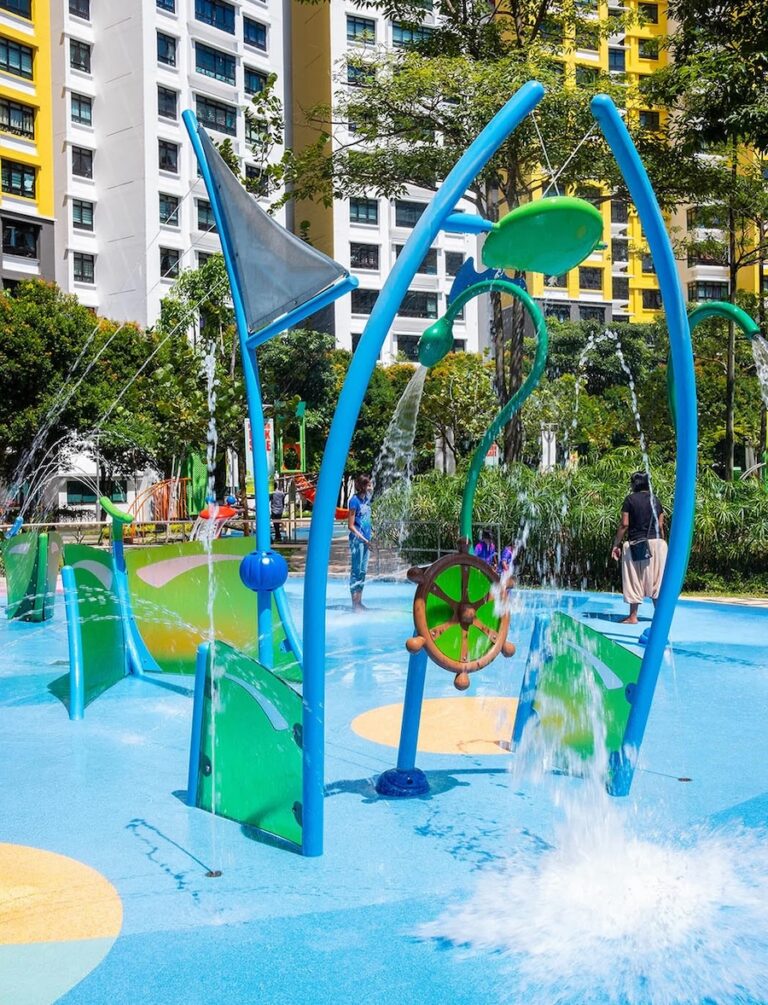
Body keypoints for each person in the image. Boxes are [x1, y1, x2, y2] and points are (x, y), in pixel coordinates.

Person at [611, 471, 667, 624]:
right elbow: (660, 525)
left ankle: (633, 616)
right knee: (658, 580)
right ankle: (660, 617)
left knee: (633, 578)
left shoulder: (630, 500)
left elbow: (624, 524)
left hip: (637, 544)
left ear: (634, 484)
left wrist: (616, 544)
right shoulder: (656, 500)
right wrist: (661, 543)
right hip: (658, 544)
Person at [348, 474, 372, 611]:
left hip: (366, 541)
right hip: (357, 541)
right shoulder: (354, 501)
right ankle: (354, 604)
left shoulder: (366, 500)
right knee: (356, 571)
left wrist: (371, 535)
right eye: (369, 485)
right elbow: (351, 526)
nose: (371, 487)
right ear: (362, 486)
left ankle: (359, 601)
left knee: (363, 571)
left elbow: (367, 520)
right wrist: (364, 539)